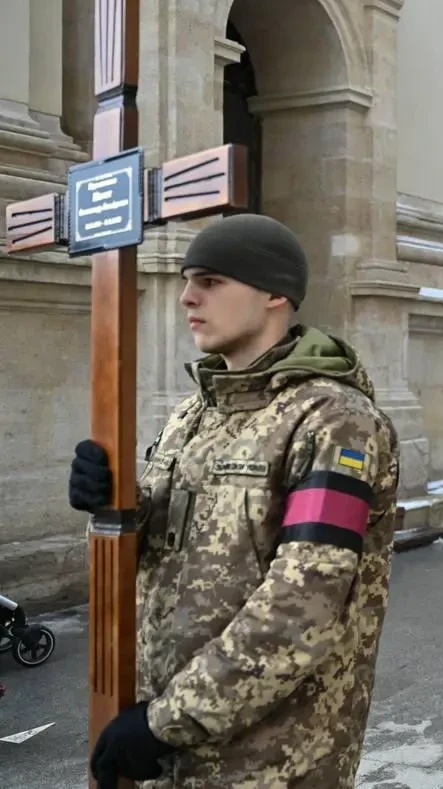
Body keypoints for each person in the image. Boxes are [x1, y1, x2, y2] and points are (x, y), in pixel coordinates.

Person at [67, 214, 401, 788]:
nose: (187, 298)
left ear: (274, 294)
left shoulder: (335, 421)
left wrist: (166, 723)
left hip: (270, 760)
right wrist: (119, 507)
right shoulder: (193, 413)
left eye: (211, 282)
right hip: (169, 742)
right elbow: (174, 551)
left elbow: (305, 601)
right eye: (186, 281)